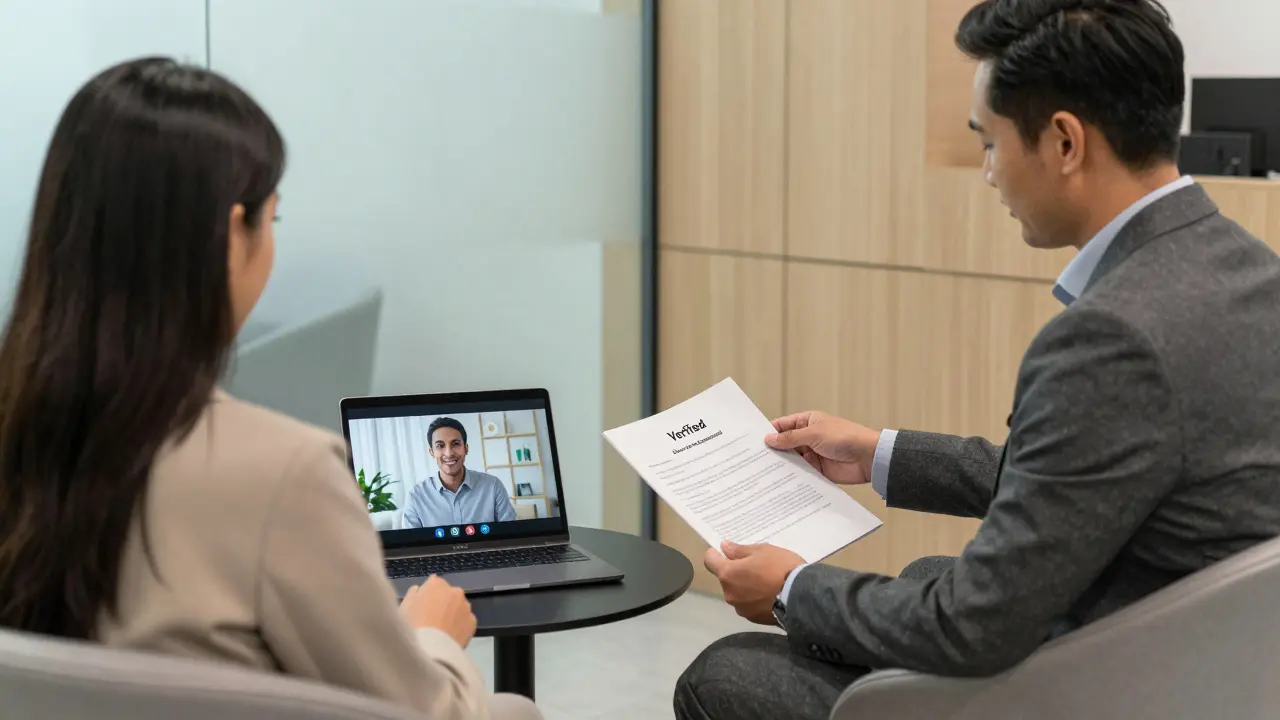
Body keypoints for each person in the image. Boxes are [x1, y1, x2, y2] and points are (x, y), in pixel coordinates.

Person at [675, 2, 1280, 718]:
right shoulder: (1249, 271)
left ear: (1063, 143)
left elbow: (972, 625)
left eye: (990, 144)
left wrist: (792, 590)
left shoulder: (1112, 337)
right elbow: (1087, 485)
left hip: (1106, 680)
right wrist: (879, 453)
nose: (989, 174)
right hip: (1211, 666)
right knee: (918, 577)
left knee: (727, 676)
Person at [0, 58, 540, 720]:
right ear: (232, 237)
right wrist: (431, 634)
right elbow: (429, 714)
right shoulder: (284, 475)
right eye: (272, 221)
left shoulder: (23, 432)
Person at [402, 417, 518, 528]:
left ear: (466, 448)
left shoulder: (493, 486)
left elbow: (511, 535)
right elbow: (411, 546)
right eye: (440, 446)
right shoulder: (416, 497)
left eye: (455, 444)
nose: (449, 453)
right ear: (431, 452)